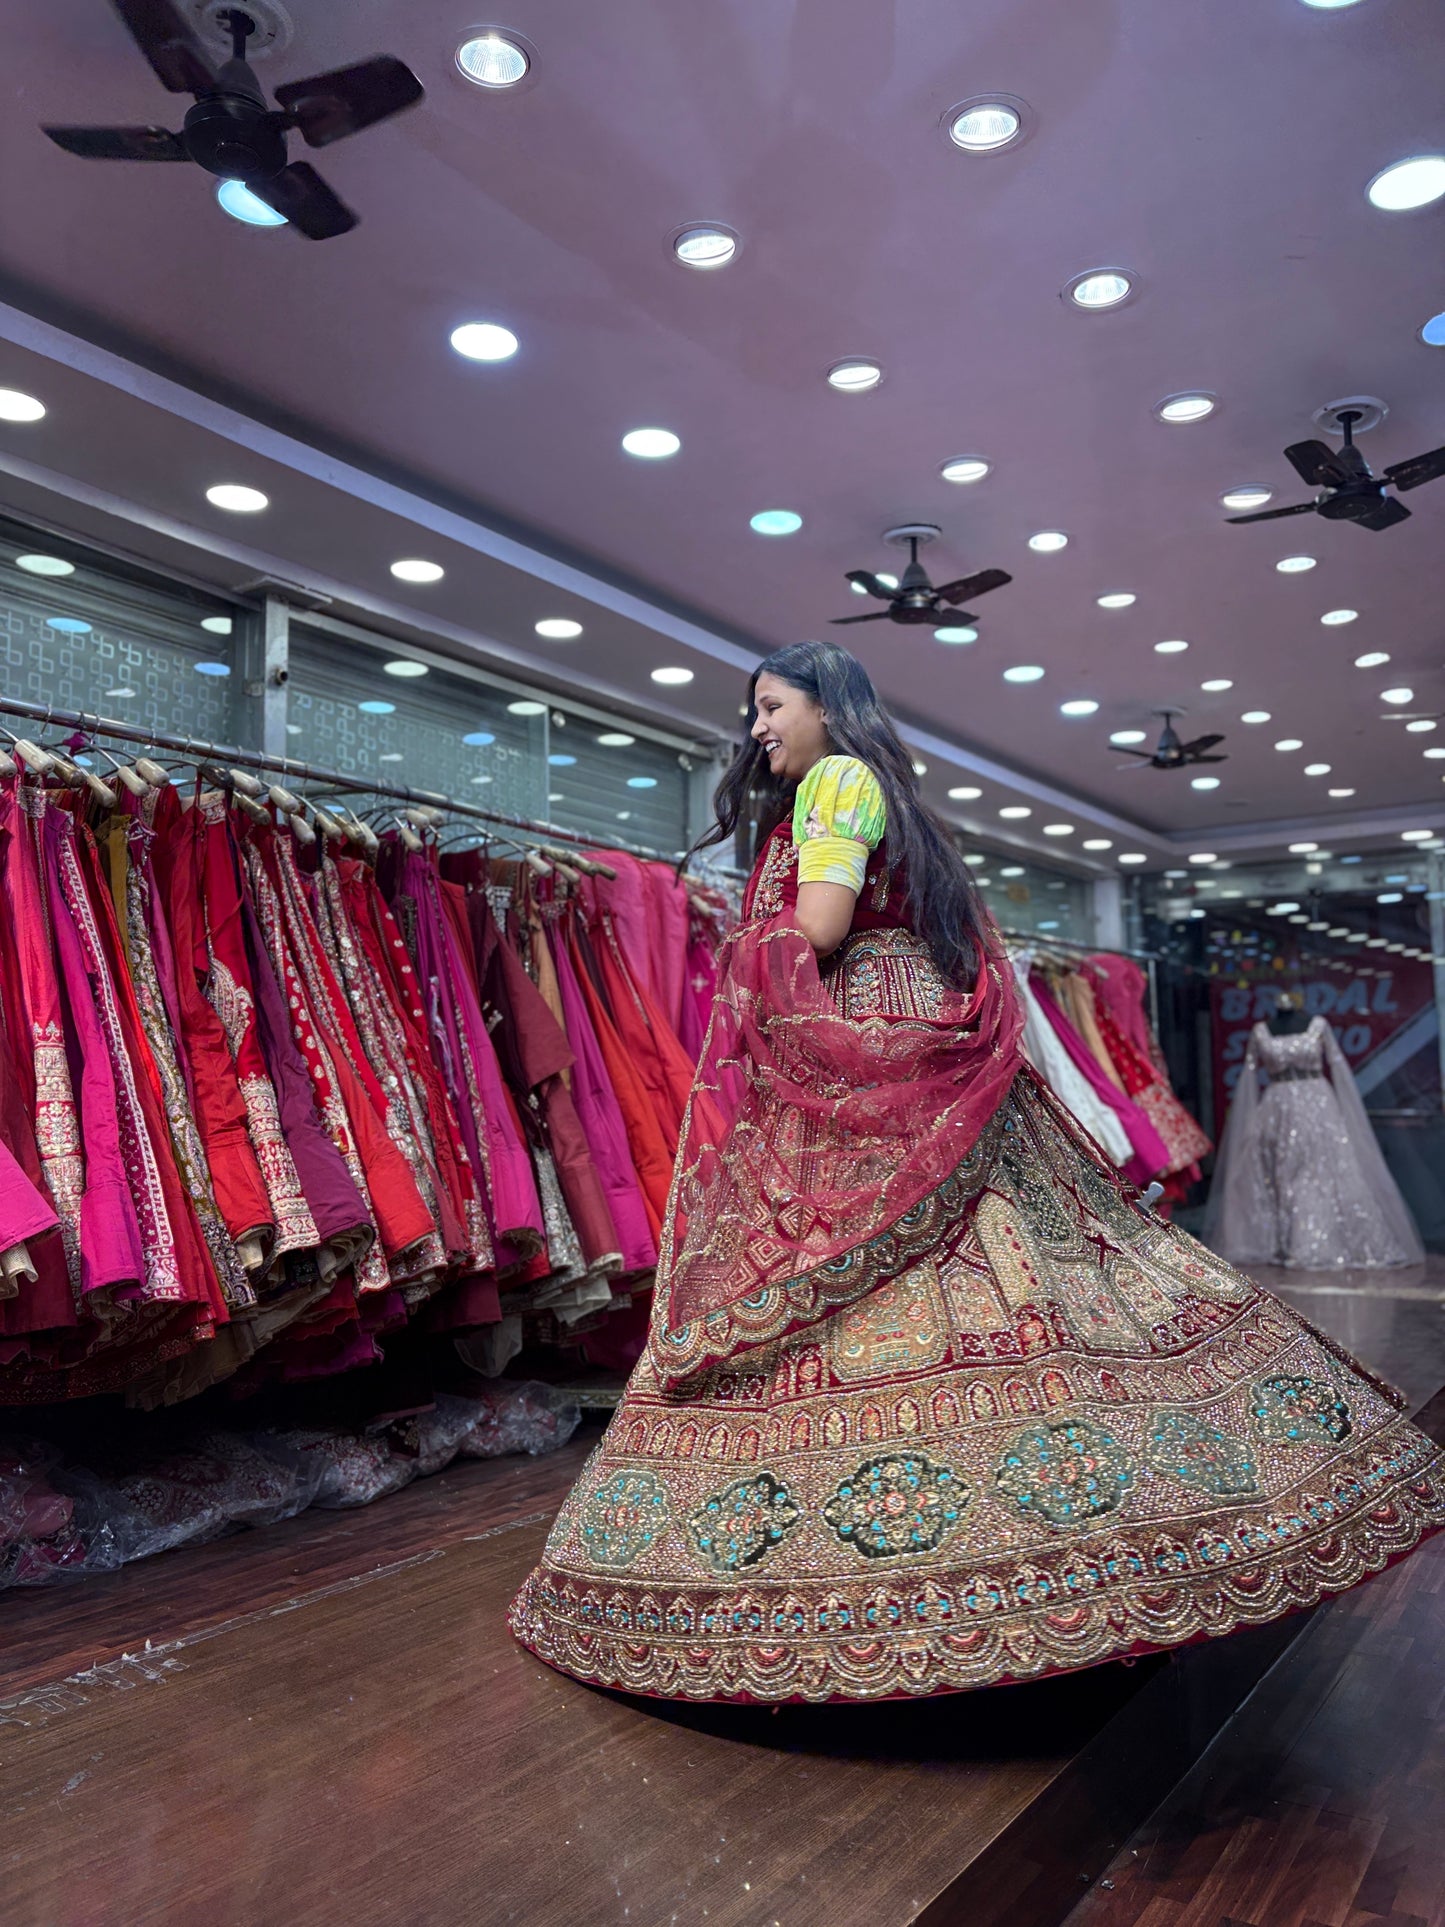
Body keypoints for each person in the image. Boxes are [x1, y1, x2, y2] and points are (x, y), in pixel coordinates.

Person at [510, 641, 1445, 1704]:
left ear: (828, 708)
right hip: (904, 1036)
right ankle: (1087, 1534)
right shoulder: (883, 791)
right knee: (1024, 1258)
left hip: (863, 1039)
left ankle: (899, 1568)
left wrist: (744, 948)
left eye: (770, 705)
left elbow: (816, 927)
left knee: (861, 1257)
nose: (756, 726)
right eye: (753, 710)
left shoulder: (838, 779)